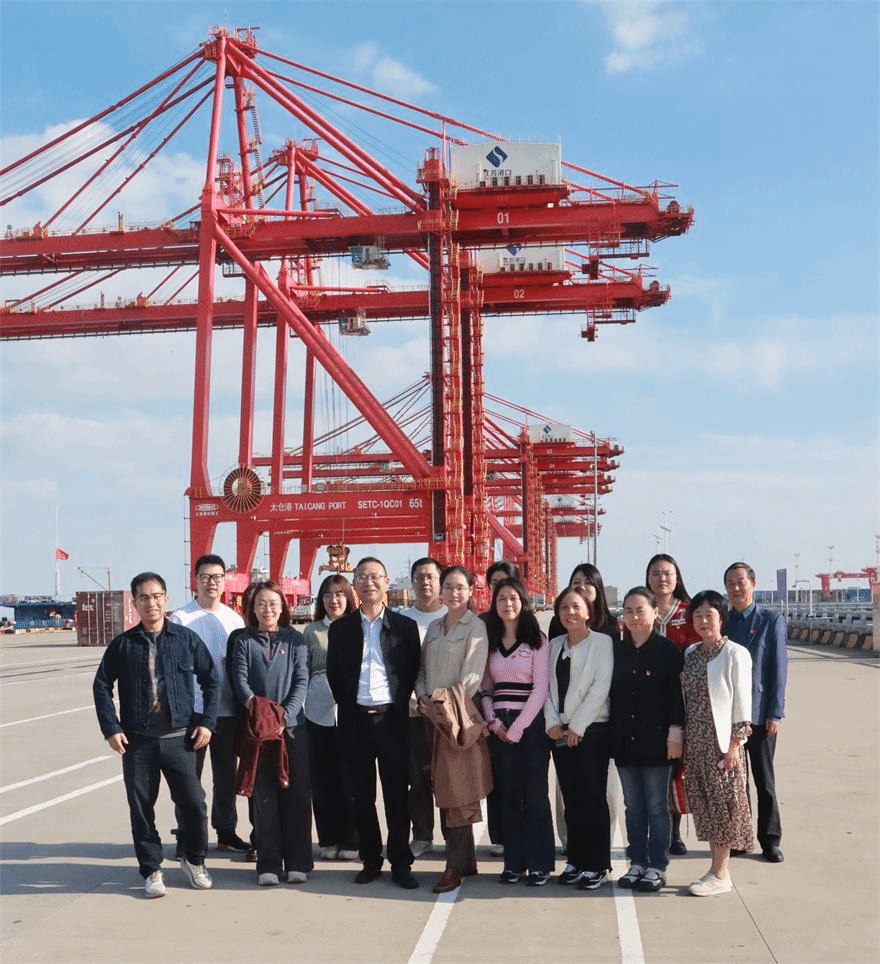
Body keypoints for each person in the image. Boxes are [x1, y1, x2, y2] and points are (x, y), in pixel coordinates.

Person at [92, 571, 218, 898]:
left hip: (181, 738)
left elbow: (212, 680)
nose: (152, 603)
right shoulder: (123, 645)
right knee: (141, 808)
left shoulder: (185, 639)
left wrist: (207, 722)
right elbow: (101, 685)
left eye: (157, 596)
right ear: (134, 603)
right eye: (144, 598)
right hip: (138, 742)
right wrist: (111, 728)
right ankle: (151, 869)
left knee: (194, 804)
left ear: (166, 598)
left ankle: (194, 860)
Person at [326, 556, 422, 890]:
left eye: (375, 576)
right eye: (362, 577)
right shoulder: (341, 629)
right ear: (355, 584)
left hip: (392, 720)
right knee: (361, 797)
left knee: (397, 797)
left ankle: (400, 862)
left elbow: (411, 670)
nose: (369, 582)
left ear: (386, 583)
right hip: (355, 721)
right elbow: (335, 675)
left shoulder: (404, 627)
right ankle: (370, 860)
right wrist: (351, 704)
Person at [230, 581, 313, 886]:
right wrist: (261, 715)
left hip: (292, 730)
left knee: (297, 796)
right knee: (263, 797)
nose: (268, 609)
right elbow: (240, 681)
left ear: (283, 607)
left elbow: (301, 681)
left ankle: (298, 862)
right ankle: (268, 863)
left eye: (273, 603)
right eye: (261, 604)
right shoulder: (243, 641)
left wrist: (283, 717)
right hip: (258, 732)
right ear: (252, 608)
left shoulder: (296, 640)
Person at [416, 565, 490, 893]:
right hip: (431, 718)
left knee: (458, 791)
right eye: (449, 586)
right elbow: (421, 669)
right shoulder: (434, 627)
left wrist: (442, 704)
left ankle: (453, 866)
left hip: (456, 719)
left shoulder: (476, 627)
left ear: (471, 591)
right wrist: (422, 696)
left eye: (461, 587)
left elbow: (472, 677)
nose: (454, 592)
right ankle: (467, 859)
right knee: (443, 788)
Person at [169, 554, 248, 854]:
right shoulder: (181, 618)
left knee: (226, 777)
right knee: (189, 780)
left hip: (227, 710)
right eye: (205, 577)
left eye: (217, 577)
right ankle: (187, 836)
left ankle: (226, 831)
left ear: (225, 581)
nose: (211, 582)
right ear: (195, 580)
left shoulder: (234, 619)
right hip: (193, 712)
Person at [480, 576, 554, 886]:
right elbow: (486, 689)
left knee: (534, 795)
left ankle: (539, 863)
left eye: (513, 598)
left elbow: (541, 689)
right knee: (507, 796)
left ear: (523, 602)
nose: (507, 604)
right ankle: (514, 862)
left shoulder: (537, 640)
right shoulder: (490, 642)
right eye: (501, 599)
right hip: (499, 726)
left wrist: (518, 727)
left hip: (530, 726)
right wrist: (494, 722)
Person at [610, 587, 684, 892]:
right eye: (628, 611)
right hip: (624, 742)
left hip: (657, 742)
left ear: (655, 612)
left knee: (656, 806)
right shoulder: (617, 650)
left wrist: (675, 735)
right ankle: (637, 861)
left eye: (640, 610)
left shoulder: (668, 651)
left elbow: (677, 699)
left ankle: (657, 865)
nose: (634, 617)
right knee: (633, 806)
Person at [681, 590, 755, 896]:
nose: (703, 621)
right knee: (706, 807)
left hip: (722, 744)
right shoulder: (690, 653)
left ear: (721, 618)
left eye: (709, 615)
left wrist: (735, 745)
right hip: (695, 742)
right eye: (697, 615)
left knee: (724, 808)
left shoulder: (736, 654)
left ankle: (721, 874)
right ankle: (715, 870)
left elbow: (743, 704)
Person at [545, 585, 613, 890]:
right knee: (571, 800)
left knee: (593, 798)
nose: (569, 612)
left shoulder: (602, 643)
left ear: (588, 612)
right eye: (564, 607)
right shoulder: (553, 646)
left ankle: (597, 864)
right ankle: (576, 859)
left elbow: (600, 687)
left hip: (591, 731)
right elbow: (545, 688)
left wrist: (578, 727)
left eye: (576, 607)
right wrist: (552, 723)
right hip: (559, 732)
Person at [723, 563, 788, 863]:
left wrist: (775, 712)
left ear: (753, 584)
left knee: (764, 781)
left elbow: (778, 669)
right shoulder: (724, 621)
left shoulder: (770, 621)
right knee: (736, 782)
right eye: (730, 583)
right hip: (730, 715)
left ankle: (770, 840)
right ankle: (741, 837)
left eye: (741, 582)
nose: (736, 588)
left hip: (760, 715)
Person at [645, 552, 699, 855]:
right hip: (647, 703)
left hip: (682, 700)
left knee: (678, 767)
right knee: (651, 768)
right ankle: (655, 831)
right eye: (655, 573)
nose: (661, 579)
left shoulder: (689, 611)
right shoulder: (641, 609)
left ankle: (674, 833)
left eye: (667, 573)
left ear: (677, 577)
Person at [302, 574, 359, 861]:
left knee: (351, 777)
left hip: (351, 711)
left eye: (339, 594)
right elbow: (303, 671)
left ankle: (352, 839)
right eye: (327, 595)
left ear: (348, 597)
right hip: (317, 711)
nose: (334, 600)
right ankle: (328, 837)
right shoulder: (312, 631)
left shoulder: (358, 627)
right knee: (322, 778)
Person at [400, 557, 447, 858]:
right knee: (416, 776)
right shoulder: (401, 621)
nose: (425, 582)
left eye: (431, 577)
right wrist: (415, 699)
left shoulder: (451, 617)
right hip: (412, 711)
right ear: (412, 582)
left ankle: (454, 836)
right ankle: (422, 835)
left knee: (447, 775)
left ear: (440, 582)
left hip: (446, 712)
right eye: (419, 577)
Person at [480, 559, 519, 855]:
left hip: (524, 717)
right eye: (494, 584)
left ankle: (523, 835)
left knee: (524, 782)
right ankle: (500, 837)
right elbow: (484, 680)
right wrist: (491, 719)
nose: (500, 590)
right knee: (496, 778)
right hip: (490, 713)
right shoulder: (483, 624)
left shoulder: (529, 627)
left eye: (505, 583)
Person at [547, 563, 620, 642]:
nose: (581, 587)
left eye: (588, 583)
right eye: (576, 582)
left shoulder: (611, 624)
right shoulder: (559, 622)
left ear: (597, 589)